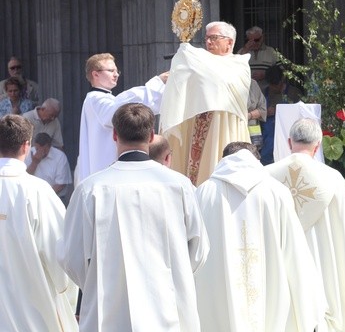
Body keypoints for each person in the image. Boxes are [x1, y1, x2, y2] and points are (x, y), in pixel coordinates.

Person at [61, 103, 236, 332]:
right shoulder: (178, 184)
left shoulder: (92, 187)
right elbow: (199, 246)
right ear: (153, 135)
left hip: (112, 299)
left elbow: (69, 255)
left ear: (114, 135)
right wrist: (181, 276)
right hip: (168, 295)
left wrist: (97, 282)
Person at [195, 141, 325, 332]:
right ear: (256, 160)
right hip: (269, 289)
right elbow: (294, 249)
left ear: (223, 161)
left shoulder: (204, 192)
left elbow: (195, 250)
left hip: (219, 291)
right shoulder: (275, 191)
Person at [267, 118, 345, 332]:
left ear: (289, 142)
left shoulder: (268, 175)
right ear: (318, 145)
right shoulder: (332, 177)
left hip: (283, 253)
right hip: (324, 254)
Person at [0, 115, 78, 332]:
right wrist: (63, 290)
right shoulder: (37, 190)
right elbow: (61, 250)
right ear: (26, 145)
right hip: (31, 298)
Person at [160, 22, 251, 186]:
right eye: (206, 38)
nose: (208, 42)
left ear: (229, 42)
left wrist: (186, 51)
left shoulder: (239, 64)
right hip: (199, 126)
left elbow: (215, 75)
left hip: (227, 125)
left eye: (214, 38)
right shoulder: (202, 62)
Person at [75, 52, 167, 184]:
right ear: (95, 74)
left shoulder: (105, 99)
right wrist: (156, 84)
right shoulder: (94, 99)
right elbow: (119, 110)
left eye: (116, 71)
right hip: (105, 172)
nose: (116, 74)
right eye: (111, 70)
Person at [260, 64, 302, 165]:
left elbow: (300, 113)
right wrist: (266, 112)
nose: (273, 88)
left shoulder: (294, 93)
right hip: (268, 137)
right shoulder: (263, 92)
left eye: (276, 84)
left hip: (288, 131)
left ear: (282, 80)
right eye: (271, 85)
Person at [26, 133, 72, 201]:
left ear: (49, 146)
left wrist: (44, 198)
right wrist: (34, 163)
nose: (41, 153)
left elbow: (60, 185)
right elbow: (25, 177)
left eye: (44, 150)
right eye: (37, 149)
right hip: (32, 198)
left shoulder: (60, 157)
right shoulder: (29, 153)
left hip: (55, 197)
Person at [247, 79, 267, 148]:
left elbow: (263, 109)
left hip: (252, 134)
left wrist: (249, 115)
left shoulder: (252, 83)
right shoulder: (227, 82)